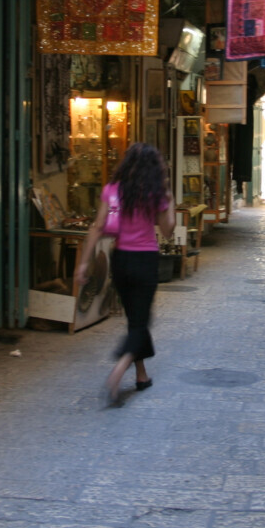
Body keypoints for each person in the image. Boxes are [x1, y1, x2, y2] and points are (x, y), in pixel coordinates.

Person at [76, 142, 174, 405]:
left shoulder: (112, 190)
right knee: (141, 322)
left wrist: (83, 263)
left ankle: (141, 375)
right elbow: (168, 230)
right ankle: (119, 369)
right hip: (145, 261)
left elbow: (97, 228)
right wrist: (169, 198)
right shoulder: (155, 193)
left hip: (120, 261)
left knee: (135, 320)